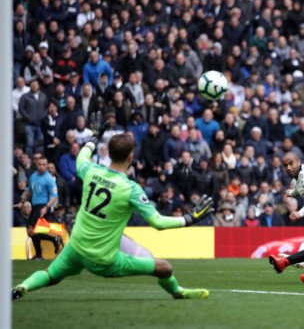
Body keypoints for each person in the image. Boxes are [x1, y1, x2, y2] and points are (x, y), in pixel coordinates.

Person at [12, 124, 217, 301]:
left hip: (76, 247)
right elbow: (158, 222)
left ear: (108, 154)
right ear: (130, 156)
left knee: (50, 275)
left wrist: (95, 135)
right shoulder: (131, 189)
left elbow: (83, 155)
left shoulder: (91, 171)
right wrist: (189, 218)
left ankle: (23, 287)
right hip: (103, 260)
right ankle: (178, 293)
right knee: (164, 268)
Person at [15, 156, 59, 260]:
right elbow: (29, 191)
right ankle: (53, 240)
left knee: (31, 230)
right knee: (30, 232)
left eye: (44, 165)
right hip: (34, 206)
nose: (42, 167)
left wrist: (46, 207)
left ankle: (39, 255)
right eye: (40, 164)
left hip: (43, 206)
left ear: (46, 165)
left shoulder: (49, 178)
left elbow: (54, 196)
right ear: (36, 164)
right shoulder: (33, 177)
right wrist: (22, 201)